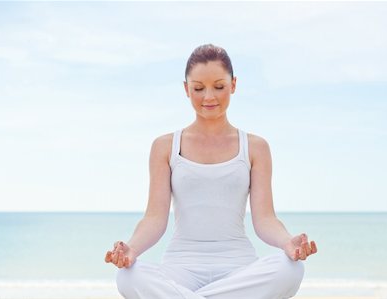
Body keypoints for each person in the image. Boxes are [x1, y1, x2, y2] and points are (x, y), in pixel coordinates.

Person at [105, 44, 318, 299]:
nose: (209, 97)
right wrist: (131, 249)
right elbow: (154, 219)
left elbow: (265, 219)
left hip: (238, 269)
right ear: (186, 89)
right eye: (198, 88)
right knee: (128, 276)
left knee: (290, 269)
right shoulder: (164, 147)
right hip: (180, 269)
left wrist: (287, 242)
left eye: (219, 86)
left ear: (234, 85)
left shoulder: (255, 147)